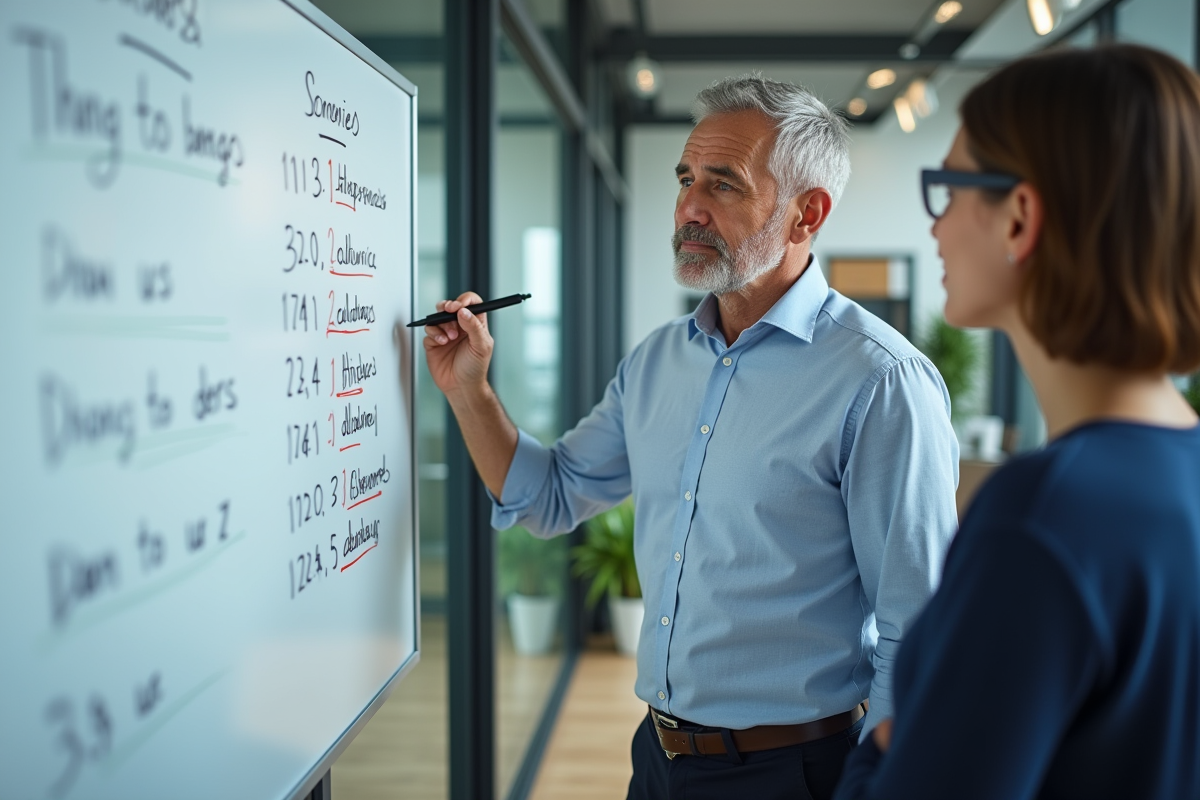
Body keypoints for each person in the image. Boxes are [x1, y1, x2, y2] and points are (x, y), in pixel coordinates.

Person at [424, 75, 959, 800]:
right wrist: (469, 388)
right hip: (658, 757)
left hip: (794, 774)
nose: (688, 209)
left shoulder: (881, 381)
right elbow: (547, 497)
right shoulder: (656, 362)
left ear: (807, 215)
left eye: (724, 185)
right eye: (684, 179)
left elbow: (919, 628)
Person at [834, 44, 1200, 800]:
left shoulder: (1045, 516)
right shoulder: (1176, 475)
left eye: (948, 188)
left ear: (1020, 219)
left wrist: (879, 748)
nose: (935, 227)